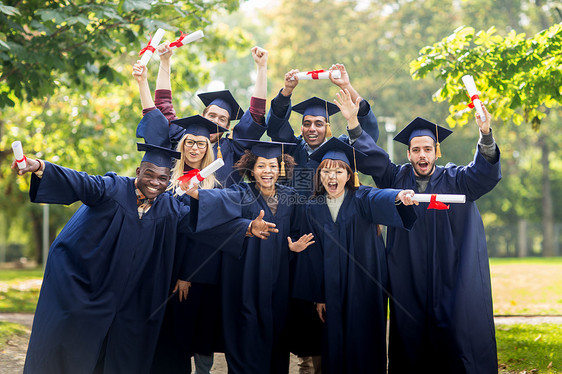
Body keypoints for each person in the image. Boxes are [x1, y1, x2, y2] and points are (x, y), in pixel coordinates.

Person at [14, 109, 277, 374]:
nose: (155, 182)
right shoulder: (112, 188)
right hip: (90, 284)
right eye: (149, 174)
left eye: (163, 178)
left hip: (131, 294)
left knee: (122, 350)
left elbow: (201, 228)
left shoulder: (167, 207)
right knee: (75, 345)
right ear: (139, 170)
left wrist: (247, 228)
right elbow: (80, 181)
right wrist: (37, 166)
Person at [352, 104, 501, 373]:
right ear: (408, 153)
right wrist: (353, 122)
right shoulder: (394, 177)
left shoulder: (457, 180)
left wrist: (485, 133)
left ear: (436, 152)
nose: (422, 155)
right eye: (416, 150)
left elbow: (484, 174)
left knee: (457, 342)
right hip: (408, 279)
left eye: (428, 149)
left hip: (451, 277)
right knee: (410, 340)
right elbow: (372, 157)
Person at [184, 140, 315, 374]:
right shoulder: (240, 192)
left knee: (276, 339)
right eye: (261, 166)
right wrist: (195, 192)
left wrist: (294, 246)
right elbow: (215, 202)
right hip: (244, 282)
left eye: (273, 166)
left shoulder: (291, 197)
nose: (267, 171)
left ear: (280, 168)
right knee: (245, 336)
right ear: (251, 170)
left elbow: (297, 231)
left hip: (278, 284)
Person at [292, 133, 417, 373]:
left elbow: (380, 196)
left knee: (365, 341)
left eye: (339, 171)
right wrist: (319, 295)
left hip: (365, 287)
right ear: (319, 175)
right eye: (326, 171)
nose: (332, 176)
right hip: (331, 289)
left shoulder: (362, 198)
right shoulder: (312, 208)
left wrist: (398, 196)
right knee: (334, 343)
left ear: (350, 175)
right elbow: (312, 256)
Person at [143, 44, 270, 187]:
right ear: (203, 116)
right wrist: (165, 61)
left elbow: (256, 114)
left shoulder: (232, 151)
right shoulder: (182, 139)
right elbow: (163, 107)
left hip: (215, 208)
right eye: (212, 115)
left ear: (228, 126)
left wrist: (261, 68)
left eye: (222, 119)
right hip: (174, 207)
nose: (216, 121)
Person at [266, 63, 379, 197]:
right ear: (301, 128)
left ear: (327, 127)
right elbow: (276, 126)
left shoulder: (342, 149)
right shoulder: (291, 149)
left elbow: (365, 137)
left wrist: (346, 86)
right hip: (295, 216)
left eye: (318, 124)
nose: (312, 129)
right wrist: (287, 91)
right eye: (307, 124)